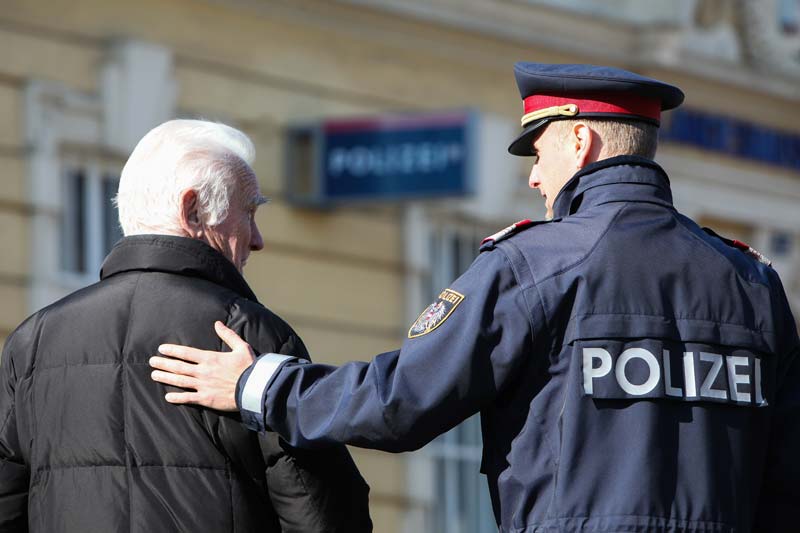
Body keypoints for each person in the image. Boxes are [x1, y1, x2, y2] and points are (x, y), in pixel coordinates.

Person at [148, 65, 800, 532]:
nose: (534, 174)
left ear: (582, 140)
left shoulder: (531, 265)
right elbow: (784, 478)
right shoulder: (753, 283)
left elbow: (402, 400)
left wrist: (264, 386)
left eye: (539, 149)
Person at [0, 120, 371, 532]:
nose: (257, 239)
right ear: (192, 209)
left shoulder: (31, 342)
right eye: (249, 212)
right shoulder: (247, 336)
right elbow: (325, 515)